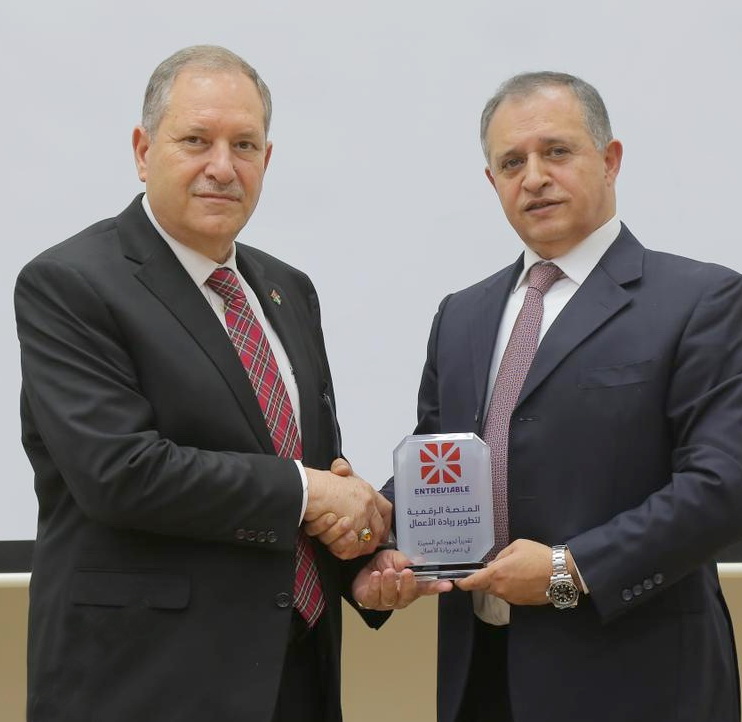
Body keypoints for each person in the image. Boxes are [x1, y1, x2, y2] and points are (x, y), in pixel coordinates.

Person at [14, 45, 442, 722]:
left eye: (244, 145)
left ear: (266, 160)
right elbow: (120, 473)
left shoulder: (287, 289)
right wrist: (313, 492)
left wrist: (363, 563)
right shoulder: (71, 283)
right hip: (145, 684)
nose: (222, 166)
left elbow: (305, 465)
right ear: (142, 151)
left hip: (294, 675)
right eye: (196, 141)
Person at [383, 72, 742, 722]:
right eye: (512, 162)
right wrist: (375, 531)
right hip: (480, 677)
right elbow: (435, 468)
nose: (534, 177)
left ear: (609, 160)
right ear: (492, 182)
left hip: (637, 683)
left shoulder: (700, 301)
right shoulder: (460, 315)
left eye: (556, 152)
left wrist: (570, 568)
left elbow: (727, 486)